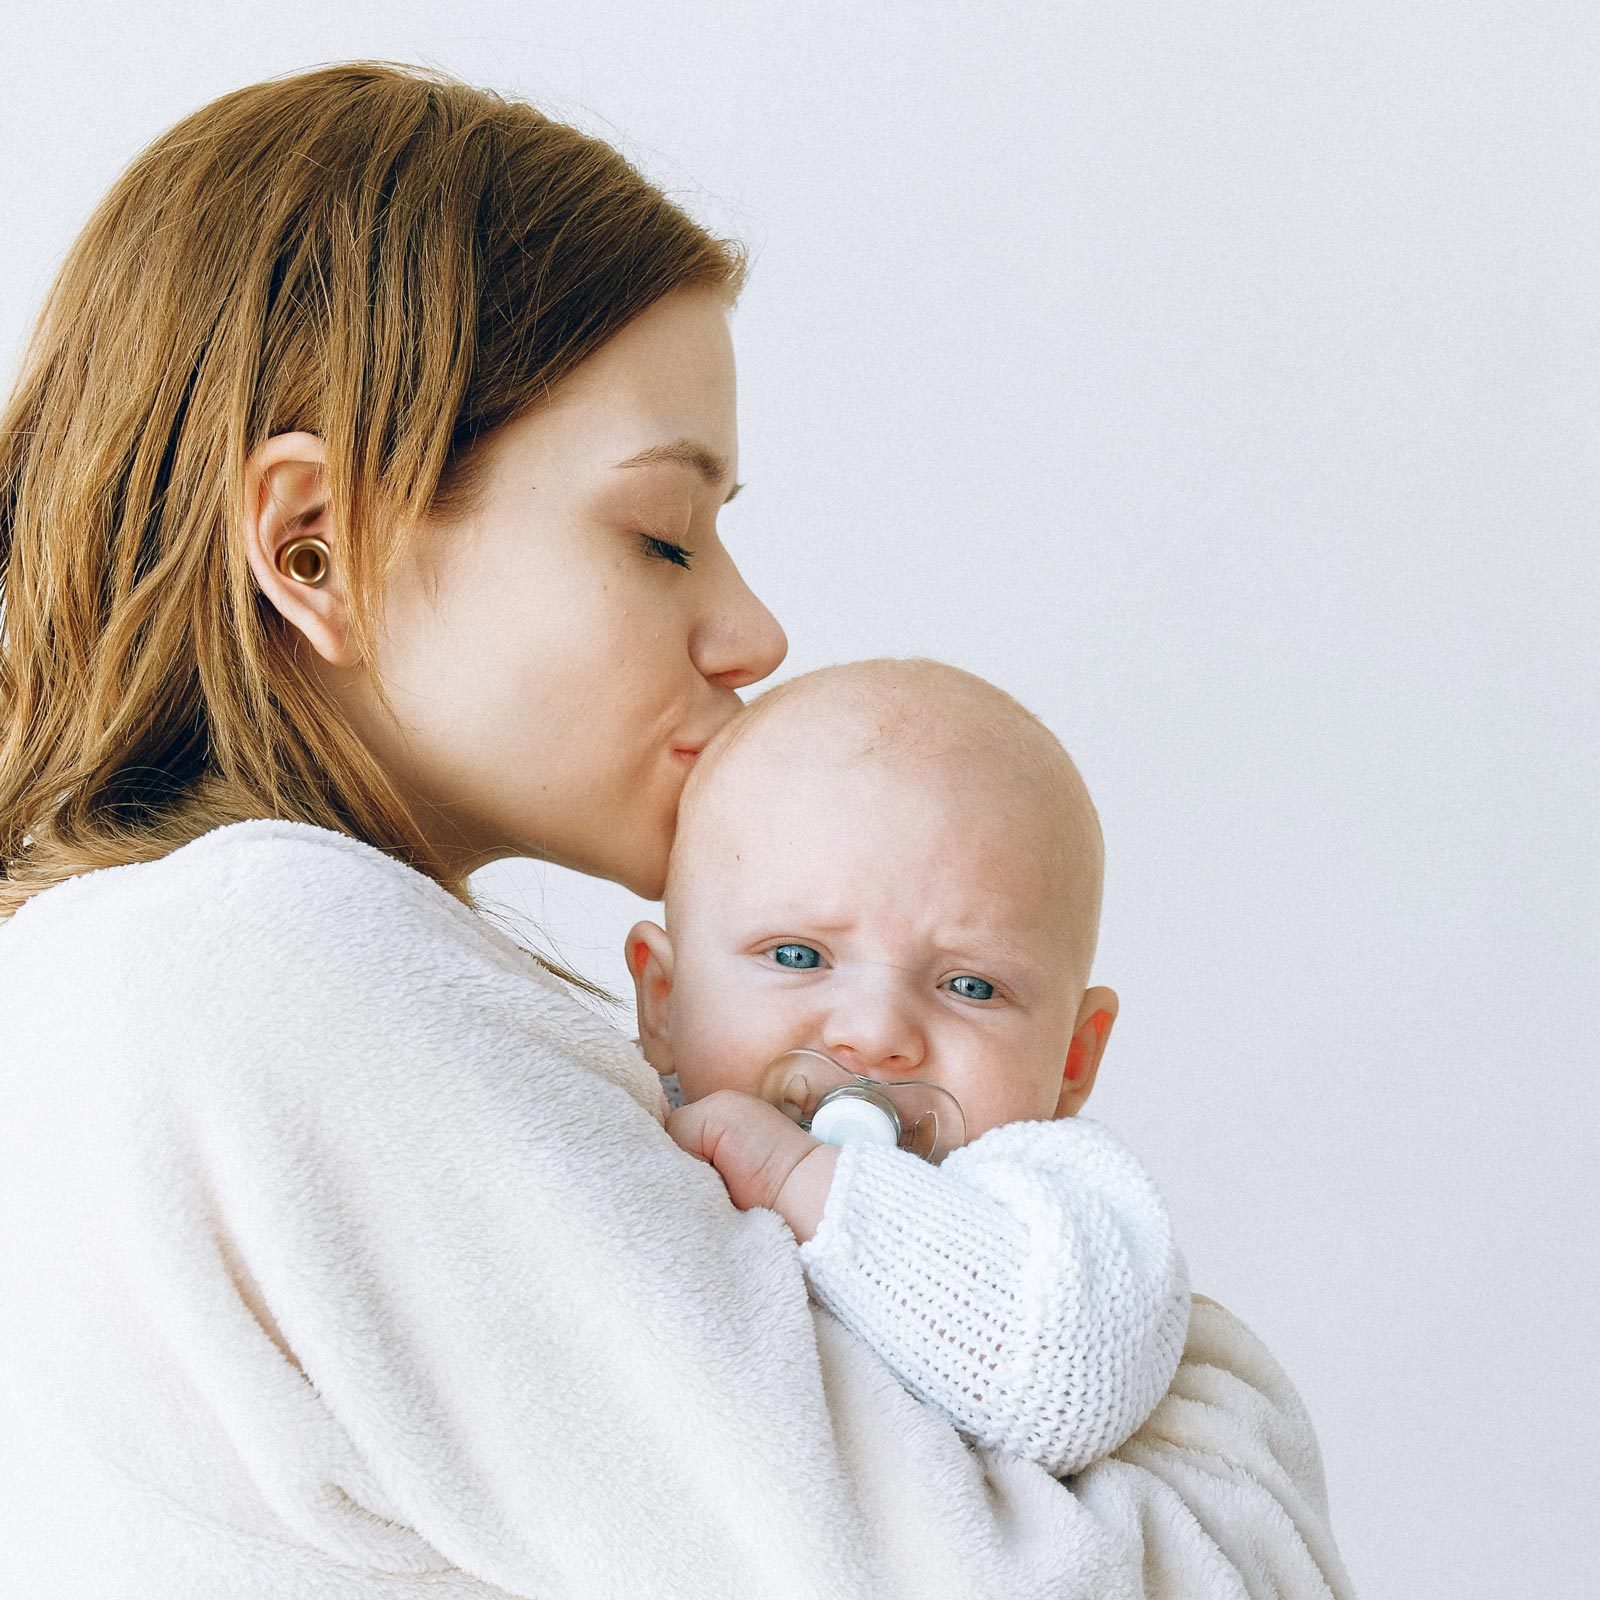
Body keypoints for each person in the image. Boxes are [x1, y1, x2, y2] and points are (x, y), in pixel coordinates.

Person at [0, 60, 1358, 1598]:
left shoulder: (132, 973)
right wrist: (1205, 1391)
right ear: (314, 547)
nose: (753, 630)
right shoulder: (271, 973)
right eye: (660, 535)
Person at [626, 655, 1193, 1480]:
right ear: (664, 1002)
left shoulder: (1060, 1204)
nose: (876, 1035)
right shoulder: (617, 1135)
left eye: (971, 985)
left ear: (1073, 1058)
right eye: (797, 954)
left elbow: (1070, 1379)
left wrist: (794, 1178)